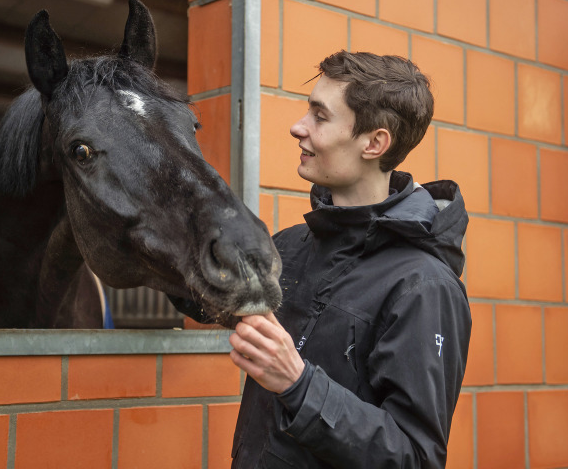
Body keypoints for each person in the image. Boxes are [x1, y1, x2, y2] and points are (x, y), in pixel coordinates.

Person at [185, 50, 472, 468]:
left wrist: (299, 386)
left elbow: (415, 457)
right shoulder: (290, 245)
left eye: (320, 116)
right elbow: (199, 293)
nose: (297, 127)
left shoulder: (425, 286)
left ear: (374, 143)